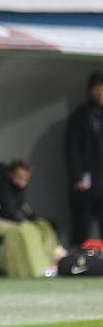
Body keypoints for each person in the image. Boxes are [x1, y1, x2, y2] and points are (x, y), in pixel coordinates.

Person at [65, 72, 103, 246]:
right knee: (82, 225)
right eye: (96, 88)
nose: (100, 92)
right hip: (87, 180)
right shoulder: (81, 116)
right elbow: (71, 148)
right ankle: (77, 263)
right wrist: (78, 176)